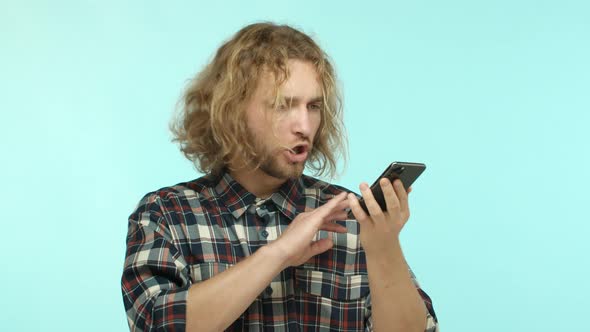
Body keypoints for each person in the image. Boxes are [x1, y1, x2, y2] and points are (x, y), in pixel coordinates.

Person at [121, 22, 438, 332]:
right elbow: (156, 323)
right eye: (283, 105)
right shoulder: (166, 214)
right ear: (232, 111)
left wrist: (385, 248)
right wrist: (279, 253)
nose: (304, 125)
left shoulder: (351, 218)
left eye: (313, 106)